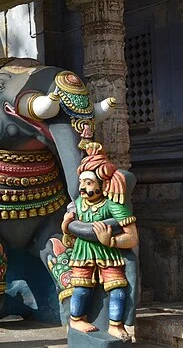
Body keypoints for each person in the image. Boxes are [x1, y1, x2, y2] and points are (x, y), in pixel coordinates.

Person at [61, 142, 138, 341]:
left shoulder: (112, 206)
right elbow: (69, 233)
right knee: (81, 288)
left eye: (89, 183)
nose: (84, 188)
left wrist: (110, 240)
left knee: (118, 289)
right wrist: (66, 225)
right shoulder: (78, 204)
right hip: (83, 252)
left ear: (102, 185)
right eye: (82, 183)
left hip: (108, 252)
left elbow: (132, 237)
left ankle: (115, 325)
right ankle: (76, 319)